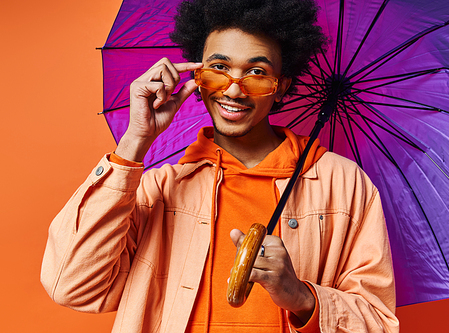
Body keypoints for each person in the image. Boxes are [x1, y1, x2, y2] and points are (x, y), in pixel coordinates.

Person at [41, 0, 399, 332]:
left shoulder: (345, 184)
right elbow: (71, 286)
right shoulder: (159, 188)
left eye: (257, 72)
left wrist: (302, 298)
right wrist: (135, 142)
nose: (233, 90)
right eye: (219, 68)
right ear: (197, 77)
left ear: (281, 86)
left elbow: (379, 324)